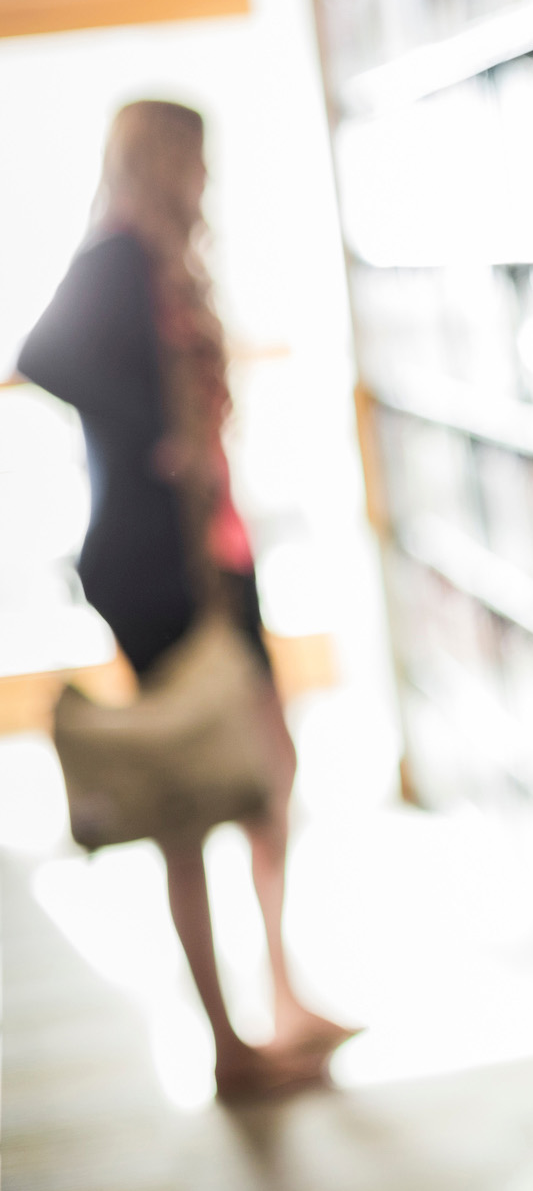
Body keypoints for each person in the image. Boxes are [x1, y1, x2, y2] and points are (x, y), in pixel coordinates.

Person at [17, 99, 352, 1102]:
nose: (204, 178)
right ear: (159, 160)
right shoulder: (116, 254)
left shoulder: (164, 260)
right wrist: (149, 439)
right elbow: (45, 356)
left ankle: (281, 993)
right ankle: (226, 1037)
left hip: (215, 549)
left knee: (264, 767)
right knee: (190, 791)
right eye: (192, 158)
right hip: (154, 562)